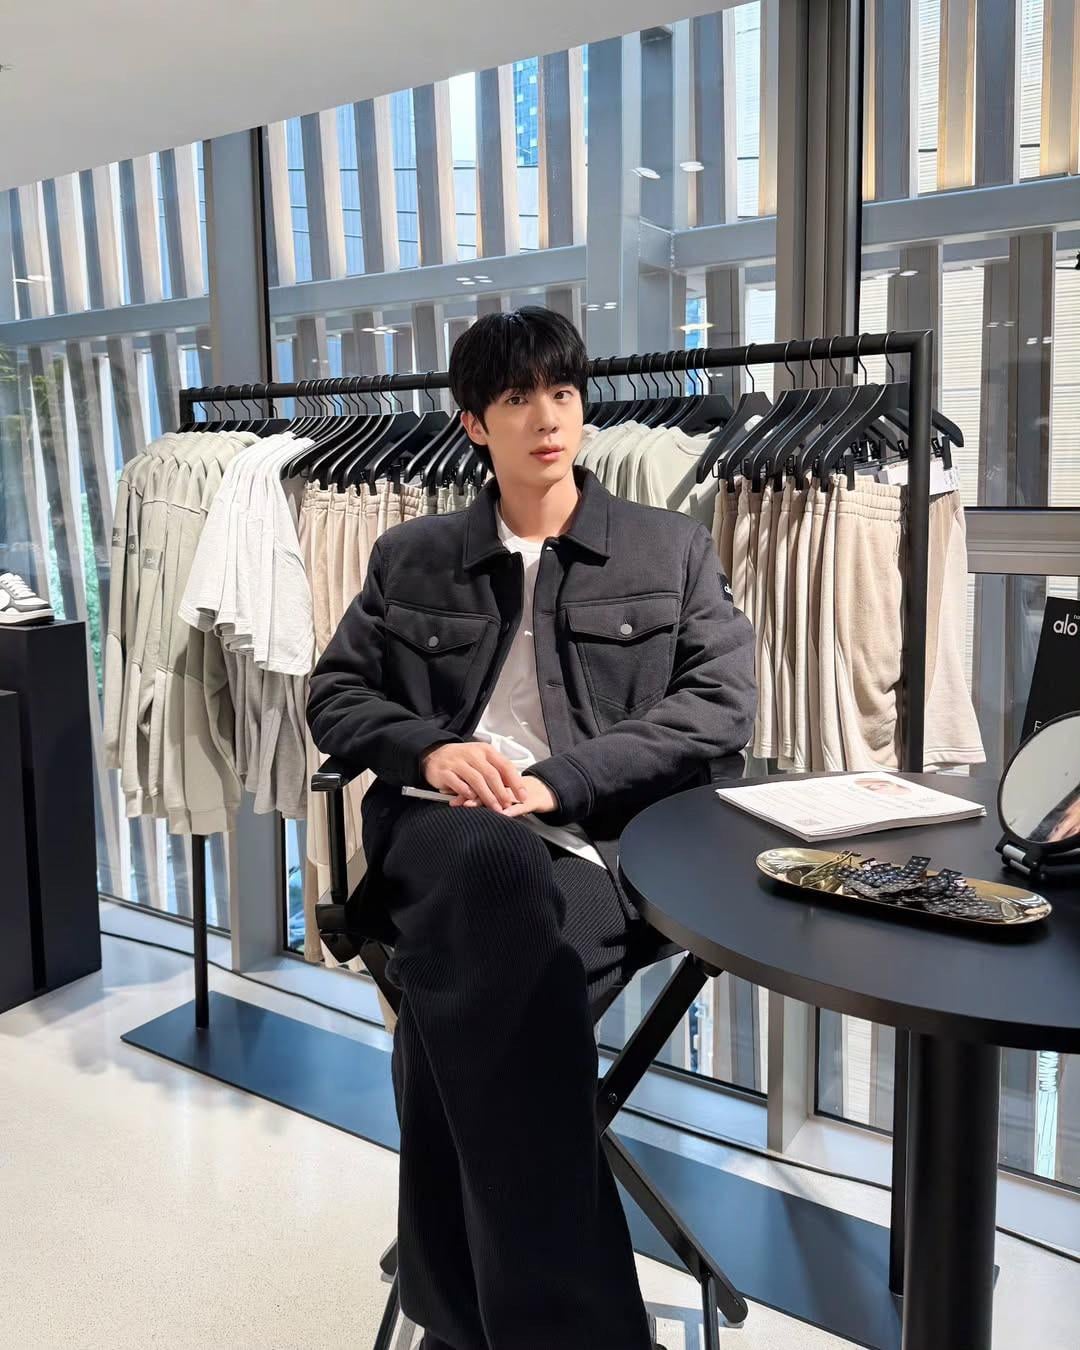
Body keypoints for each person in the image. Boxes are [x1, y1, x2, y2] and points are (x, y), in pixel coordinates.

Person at [307, 307, 756, 1350]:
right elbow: (334, 694)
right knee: (492, 869)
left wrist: (561, 782)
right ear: (475, 424)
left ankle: (455, 1313)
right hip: (443, 836)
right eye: (517, 399)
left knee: (463, 1013)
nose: (547, 417)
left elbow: (720, 704)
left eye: (562, 392)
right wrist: (429, 752)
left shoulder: (669, 547)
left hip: (602, 848)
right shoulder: (413, 556)